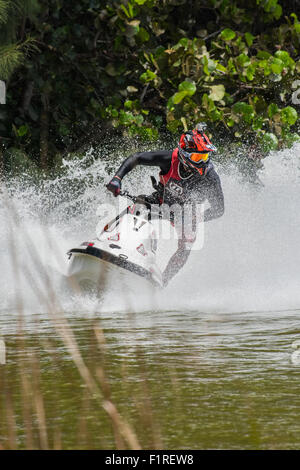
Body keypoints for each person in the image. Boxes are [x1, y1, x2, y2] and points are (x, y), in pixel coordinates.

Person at [106, 123, 224, 286]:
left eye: (205, 157)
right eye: (197, 157)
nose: (202, 162)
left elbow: (219, 209)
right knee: (135, 211)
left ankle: (162, 282)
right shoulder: (169, 159)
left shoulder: (211, 178)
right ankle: (107, 241)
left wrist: (199, 218)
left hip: (186, 215)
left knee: (187, 243)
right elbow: (137, 157)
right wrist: (117, 179)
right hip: (161, 201)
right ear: (184, 154)